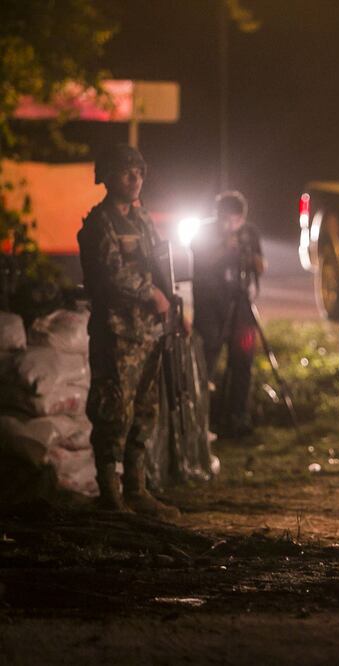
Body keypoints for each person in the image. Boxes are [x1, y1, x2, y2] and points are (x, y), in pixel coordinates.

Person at [78, 144, 180, 519]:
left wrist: (174, 298)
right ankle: (110, 493)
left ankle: (136, 489)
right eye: (126, 171)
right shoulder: (99, 224)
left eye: (139, 171)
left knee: (143, 411)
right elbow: (110, 274)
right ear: (107, 176)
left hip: (148, 332)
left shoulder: (141, 220)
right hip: (117, 333)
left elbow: (159, 262)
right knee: (112, 410)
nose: (135, 178)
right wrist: (149, 293)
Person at [191, 191, 265, 438]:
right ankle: (201, 419)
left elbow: (260, 267)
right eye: (227, 219)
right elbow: (200, 263)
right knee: (208, 357)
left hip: (241, 305)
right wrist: (224, 246)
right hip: (211, 306)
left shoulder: (249, 233)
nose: (231, 225)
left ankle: (238, 416)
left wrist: (249, 255)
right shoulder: (203, 231)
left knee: (243, 360)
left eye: (237, 220)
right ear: (218, 215)